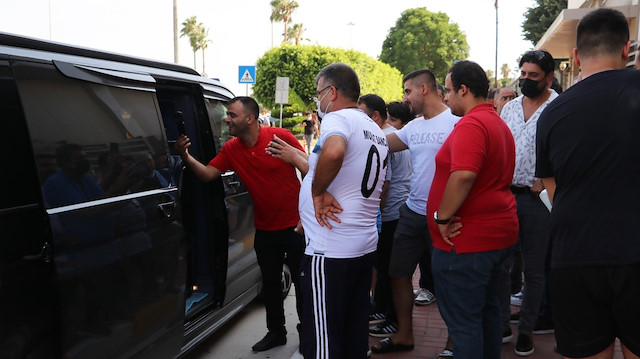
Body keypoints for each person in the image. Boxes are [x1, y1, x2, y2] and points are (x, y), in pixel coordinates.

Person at [536, 8, 640, 359]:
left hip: (575, 256)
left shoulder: (552, 113)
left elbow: (552, 190)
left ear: (577, 56)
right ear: (626, 50)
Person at [175, 96, 306, 352]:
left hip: (296, 226)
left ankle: (308, 331)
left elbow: (307, 168)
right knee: (269, 283)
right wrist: (185, 156)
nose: (227, 119)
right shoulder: (232, 149)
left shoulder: (280, 136)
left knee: (303, 284)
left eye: (232, 115)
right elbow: (207, 174)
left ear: (249, 118)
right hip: (266, 229)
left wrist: (307, 212)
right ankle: (276, 333)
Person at [297, 63, 388, 359]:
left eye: (318, 93)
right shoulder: (375, 129)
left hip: (331, 252)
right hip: (360, 246)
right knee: (352, 334)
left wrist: (317, 193)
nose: (318, 100)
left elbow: (334, 151)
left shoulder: (338, 119)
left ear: (332, 92)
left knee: (325, 341)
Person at [429, 60, 518, 359]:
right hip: (494, 238)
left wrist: (441, 217)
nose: (445, 97)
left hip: (468, 244)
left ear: (464, 90)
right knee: (488, 317)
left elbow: (464, 174)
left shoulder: (473, 123)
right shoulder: (497, 122)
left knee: (465, 325)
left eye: (449, 90)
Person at [371, 69, 459, 354]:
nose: (404, 98)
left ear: (423, 89)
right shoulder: (414, 127)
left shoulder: (456, 123)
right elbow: (382, 144)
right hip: (411, 213)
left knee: (446, 281)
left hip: (443, 216)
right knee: (398, 274)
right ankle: (405, 334)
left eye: (407, 91)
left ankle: (452, 341)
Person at [499, 49, 558, 356]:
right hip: (505, 197)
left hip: (537, 202)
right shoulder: (509, 108)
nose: (525, 80)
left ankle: (527, 331)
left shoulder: (559, 106)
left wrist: (549, 180)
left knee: (534, 271)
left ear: (548, 77)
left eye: (533, 76)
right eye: (522, 74)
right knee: (501, 264)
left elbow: (566, 151)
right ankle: (503, 325)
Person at [357, 94, 411, 339]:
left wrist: (375, 212)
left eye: (362, 114)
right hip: (396, 210)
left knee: (390, 267)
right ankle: (381, 309)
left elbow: (385, 183)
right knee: (385, 263)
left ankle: (391, 317)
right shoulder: (391, 134)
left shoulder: (385, 138)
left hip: (392, 212)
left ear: (375, 116)